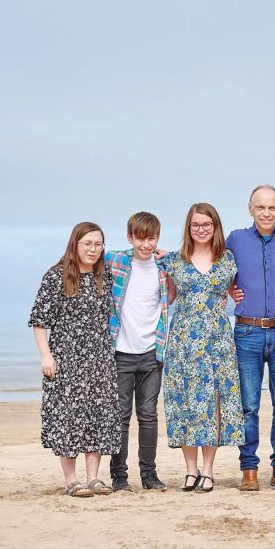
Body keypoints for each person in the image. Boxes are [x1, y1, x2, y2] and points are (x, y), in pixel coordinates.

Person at [29, 222, 122, 497]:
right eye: (87, 244)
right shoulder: (56, 276)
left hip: (99, 357)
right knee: (69, 418)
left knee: (97, 415)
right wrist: (46, 356)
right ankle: (71, 480)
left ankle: (93, 478)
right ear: (75, 244)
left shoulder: (104, 277)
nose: (93, 249)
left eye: (98, 244)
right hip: (66, 357)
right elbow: (39, 321)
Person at [227, 185, 275, 491]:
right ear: (250, 209)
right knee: (248, 405)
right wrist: (229, 289)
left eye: (271, 207)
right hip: (247, 332)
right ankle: (249, 469)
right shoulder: (235, 239)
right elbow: (210, 264)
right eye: (260, 207)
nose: (266, 213)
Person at [160, 203, 243, 493]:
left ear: (215, 226)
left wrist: (236, 294)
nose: (201, 229)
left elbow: (240, 290)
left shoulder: (228, 259)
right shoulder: (173, 260)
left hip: (218, 338)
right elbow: (165, 296)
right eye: (196, 225)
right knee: (184, 401)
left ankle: (208, 470)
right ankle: (190, 470)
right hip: (183, 338)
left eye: (207, 224)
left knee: (213, 402)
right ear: (188, 227)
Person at [104, 211, 176, 493]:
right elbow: (85, 260)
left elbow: (185, 274)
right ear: (130, 237)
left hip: (152, 351)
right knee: (120, 415)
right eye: (140, 238)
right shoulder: (116, 261)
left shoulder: (163, 267)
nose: (146, 244)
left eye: (152, 238)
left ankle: (149, 475)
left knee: (148, 415)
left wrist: (168, 256)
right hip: (121, 351)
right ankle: (119, 477)